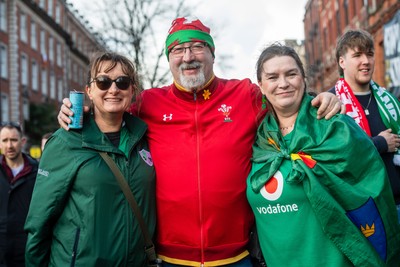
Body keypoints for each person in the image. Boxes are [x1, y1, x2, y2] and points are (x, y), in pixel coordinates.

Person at [58, 17, 342, 266]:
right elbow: (110, 110)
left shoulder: (244, 95)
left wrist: (320, 97)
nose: (188, 56)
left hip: (236, 256)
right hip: (169, 258)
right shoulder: (148, 103)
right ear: (169, 58)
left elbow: (285, 98)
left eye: (197, 47)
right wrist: (79, 109)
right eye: (178, 50)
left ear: (212, 54)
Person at [247, 43, 400, 266]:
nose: (283, 83)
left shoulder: (335, 125)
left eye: (291, 74)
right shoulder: (258, 138)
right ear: (261, 85)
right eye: (272, 77)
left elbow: (371, 185)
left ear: (303, 78)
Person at [24, 52, 156, 266]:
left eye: (122, 82)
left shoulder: (144, 138)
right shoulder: (65, 141)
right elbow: (39, 221)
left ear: (132, 90)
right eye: (103, 82)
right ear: (89, 90)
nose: (113, 89)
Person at [328, 29, 400, 221]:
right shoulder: (331, 103)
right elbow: (336, 155)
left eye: (369, 54)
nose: (366, 61)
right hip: (362, 211)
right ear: (342, 62)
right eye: (357, 55)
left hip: (397, 203)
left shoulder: (389, 101)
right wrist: (380, 143)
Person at [0, 122, 38, 267]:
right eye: (4, 140)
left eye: (14, 140)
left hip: (26, 246)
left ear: (22, 142)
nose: (9, 145)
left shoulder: (37, 172)